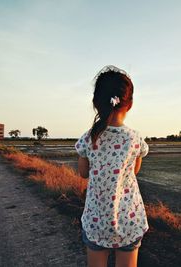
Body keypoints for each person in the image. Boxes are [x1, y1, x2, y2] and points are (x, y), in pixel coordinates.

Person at [75, 65, 149, 267]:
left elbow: (83, 173)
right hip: (129, 219)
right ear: (130, 104)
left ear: (96, 103)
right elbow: (134, 171)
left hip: (97, 220)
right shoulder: (135, 139)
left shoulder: (89, 138)